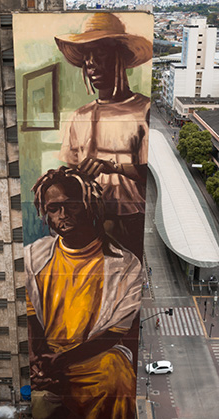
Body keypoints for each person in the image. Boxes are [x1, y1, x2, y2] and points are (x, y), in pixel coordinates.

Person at [25, 167, 142, 419]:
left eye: (71, 206)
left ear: (91, 204)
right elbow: (30, 315)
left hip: (94, 360)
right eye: (53, 209)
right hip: (48, 359)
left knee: (118, 378)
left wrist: (62, 361)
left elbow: (114, 333)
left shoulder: (127, 266)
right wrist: (37, 360)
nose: (62, 215)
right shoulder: (33, 257)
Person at [55, 12, 152, 259]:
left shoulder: (144, 110)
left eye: (100, 56)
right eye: (87, 60)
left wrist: (114, 167)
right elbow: (70, 173)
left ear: (118, 57)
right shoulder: (80, 115)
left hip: (131, 221)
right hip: (90, 222)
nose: (92, 66)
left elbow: (149, 175)